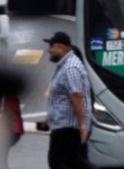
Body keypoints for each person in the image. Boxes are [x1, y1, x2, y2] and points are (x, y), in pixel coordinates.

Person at [38, 31, 93, 169]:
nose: (48, 50)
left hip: (67, 126)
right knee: (73, 161)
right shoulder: (66, 65)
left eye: (51, 46)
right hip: (65, 124)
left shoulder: (71, 67)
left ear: (61, 47)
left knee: (57, 162)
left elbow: (77, 96)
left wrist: (82, 125)